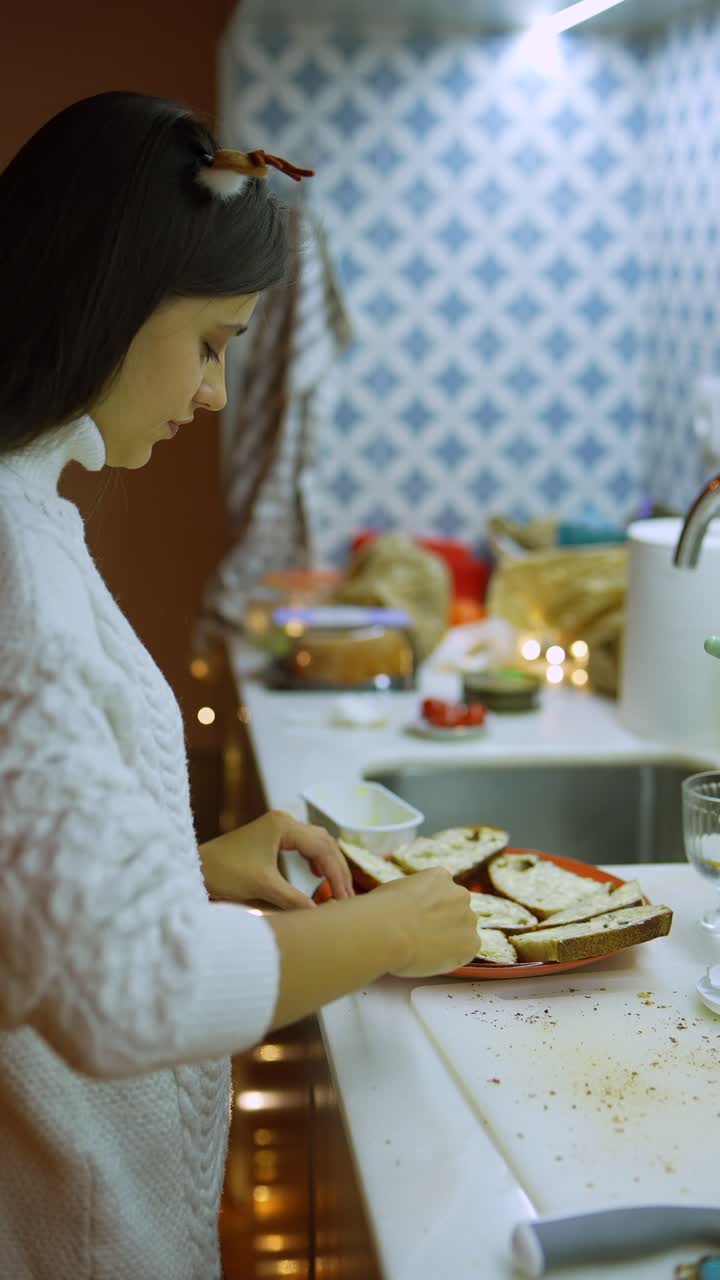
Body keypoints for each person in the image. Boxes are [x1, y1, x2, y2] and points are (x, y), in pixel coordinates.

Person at [0, 91, 478, 1280]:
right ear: (108, 296)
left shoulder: (29, 513)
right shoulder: (16, 567)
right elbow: (131, 993)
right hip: (77, 1224)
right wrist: (391, 924)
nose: (213, 395)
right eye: (211, 342)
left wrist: (190, 866)